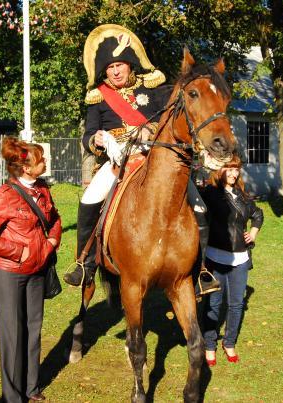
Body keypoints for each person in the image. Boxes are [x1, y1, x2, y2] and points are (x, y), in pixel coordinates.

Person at [63, 24, 219, 294]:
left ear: (130, 65)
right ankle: (84, 262)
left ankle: (201, 270)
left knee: (200, 207)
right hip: (116, 161)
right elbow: (87, 135)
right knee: (89, 199)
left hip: (155, 158)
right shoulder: (99, 98)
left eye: (119, 66)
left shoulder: (154, 89)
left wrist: (151, 129)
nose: (115, 72)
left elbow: (169, 119)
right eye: (110, 68)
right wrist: (96, 140)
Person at [0, 137, 61, 402]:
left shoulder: (43, 189)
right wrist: (19, 251)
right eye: (41, 159)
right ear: (25, 167)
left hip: (38, 268)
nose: (45, 161)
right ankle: (12, 396)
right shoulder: (5, 195)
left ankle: (31, 388)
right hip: (9, 272)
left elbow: (54, 218)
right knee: (13, 333)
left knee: (33, 329)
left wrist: (52, 240)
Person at [200, 155, 263, 367]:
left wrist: (253, 233)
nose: (234, 174)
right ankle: (209, 345)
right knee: (213, 304)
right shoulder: (210, 193)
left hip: (240, 260)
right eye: (230, 169)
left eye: (237, 169)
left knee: (236, 305)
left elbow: (258, 213)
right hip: (215, 259)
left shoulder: (241, 195)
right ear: (220, 170)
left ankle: (229, 342)